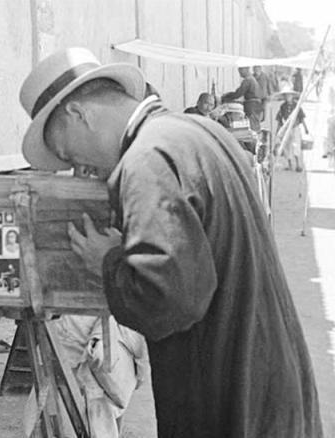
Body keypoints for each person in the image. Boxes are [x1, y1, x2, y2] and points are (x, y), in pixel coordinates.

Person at [19, 47, 322, 437]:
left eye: (67, 152)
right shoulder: (199, 131)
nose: (79, 168)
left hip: (230, 402)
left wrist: (108, 261)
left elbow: (169, 302)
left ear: (78, 114)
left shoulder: (147, 161)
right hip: (275, 388)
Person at [275, 87, 309, 172]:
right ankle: (289, 165)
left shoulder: (297, 106)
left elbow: (301, 117)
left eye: (289, 95)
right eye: (286, 96)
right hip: (286, 128)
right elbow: (279, 119)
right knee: (287, 146)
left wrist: (305, 128)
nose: (288, 97)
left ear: (292, 96)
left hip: (295, 127)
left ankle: (298, 165)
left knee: (296, 145)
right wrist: (278, 130)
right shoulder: (282, 106)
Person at [222, 66, 265, 131]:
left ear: (247, 69)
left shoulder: (248, 80)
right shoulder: (252, 79)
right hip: (256, 105)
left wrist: (226, 95)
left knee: (252, 125)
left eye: (241, 70)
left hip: (251, 106)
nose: (240, 73)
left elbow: (238, 94)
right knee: (255, 124)